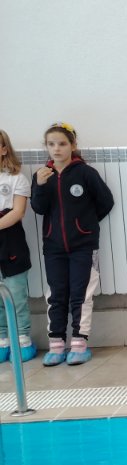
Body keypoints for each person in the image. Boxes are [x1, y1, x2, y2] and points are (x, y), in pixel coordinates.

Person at [30, 122, 115, 365]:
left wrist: (84, 226)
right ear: (46, 147)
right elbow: (38, 208)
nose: (56, 149)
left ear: (73, 145)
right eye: (51, 144)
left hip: (83, 246)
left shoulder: (85, 173)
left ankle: (79, 343)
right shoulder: (41, 175)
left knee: (81, 294)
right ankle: (56, 344)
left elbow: (106, 202)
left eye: (62, 144)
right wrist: (40, 187)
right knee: (56, 295)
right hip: (53, 247)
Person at [0, 129, 36, 364]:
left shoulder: (16, 179)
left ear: (4, 149)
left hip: (10, 241)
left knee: (16, 294)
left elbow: (18, 211)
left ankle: (22, 339)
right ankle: (3, 339)